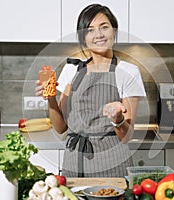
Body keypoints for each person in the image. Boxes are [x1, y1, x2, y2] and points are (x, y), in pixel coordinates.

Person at [35, 3, 146, 177]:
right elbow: (61, 127)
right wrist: (50, 98)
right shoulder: (71, 70)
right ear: (83, 38)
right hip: (74, 163)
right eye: (90, 30)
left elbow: (127, 136)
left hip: (111, 165)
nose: (99, 35)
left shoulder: (128, 72)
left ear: (114, 31)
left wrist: (117, 119)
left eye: (104, 27)